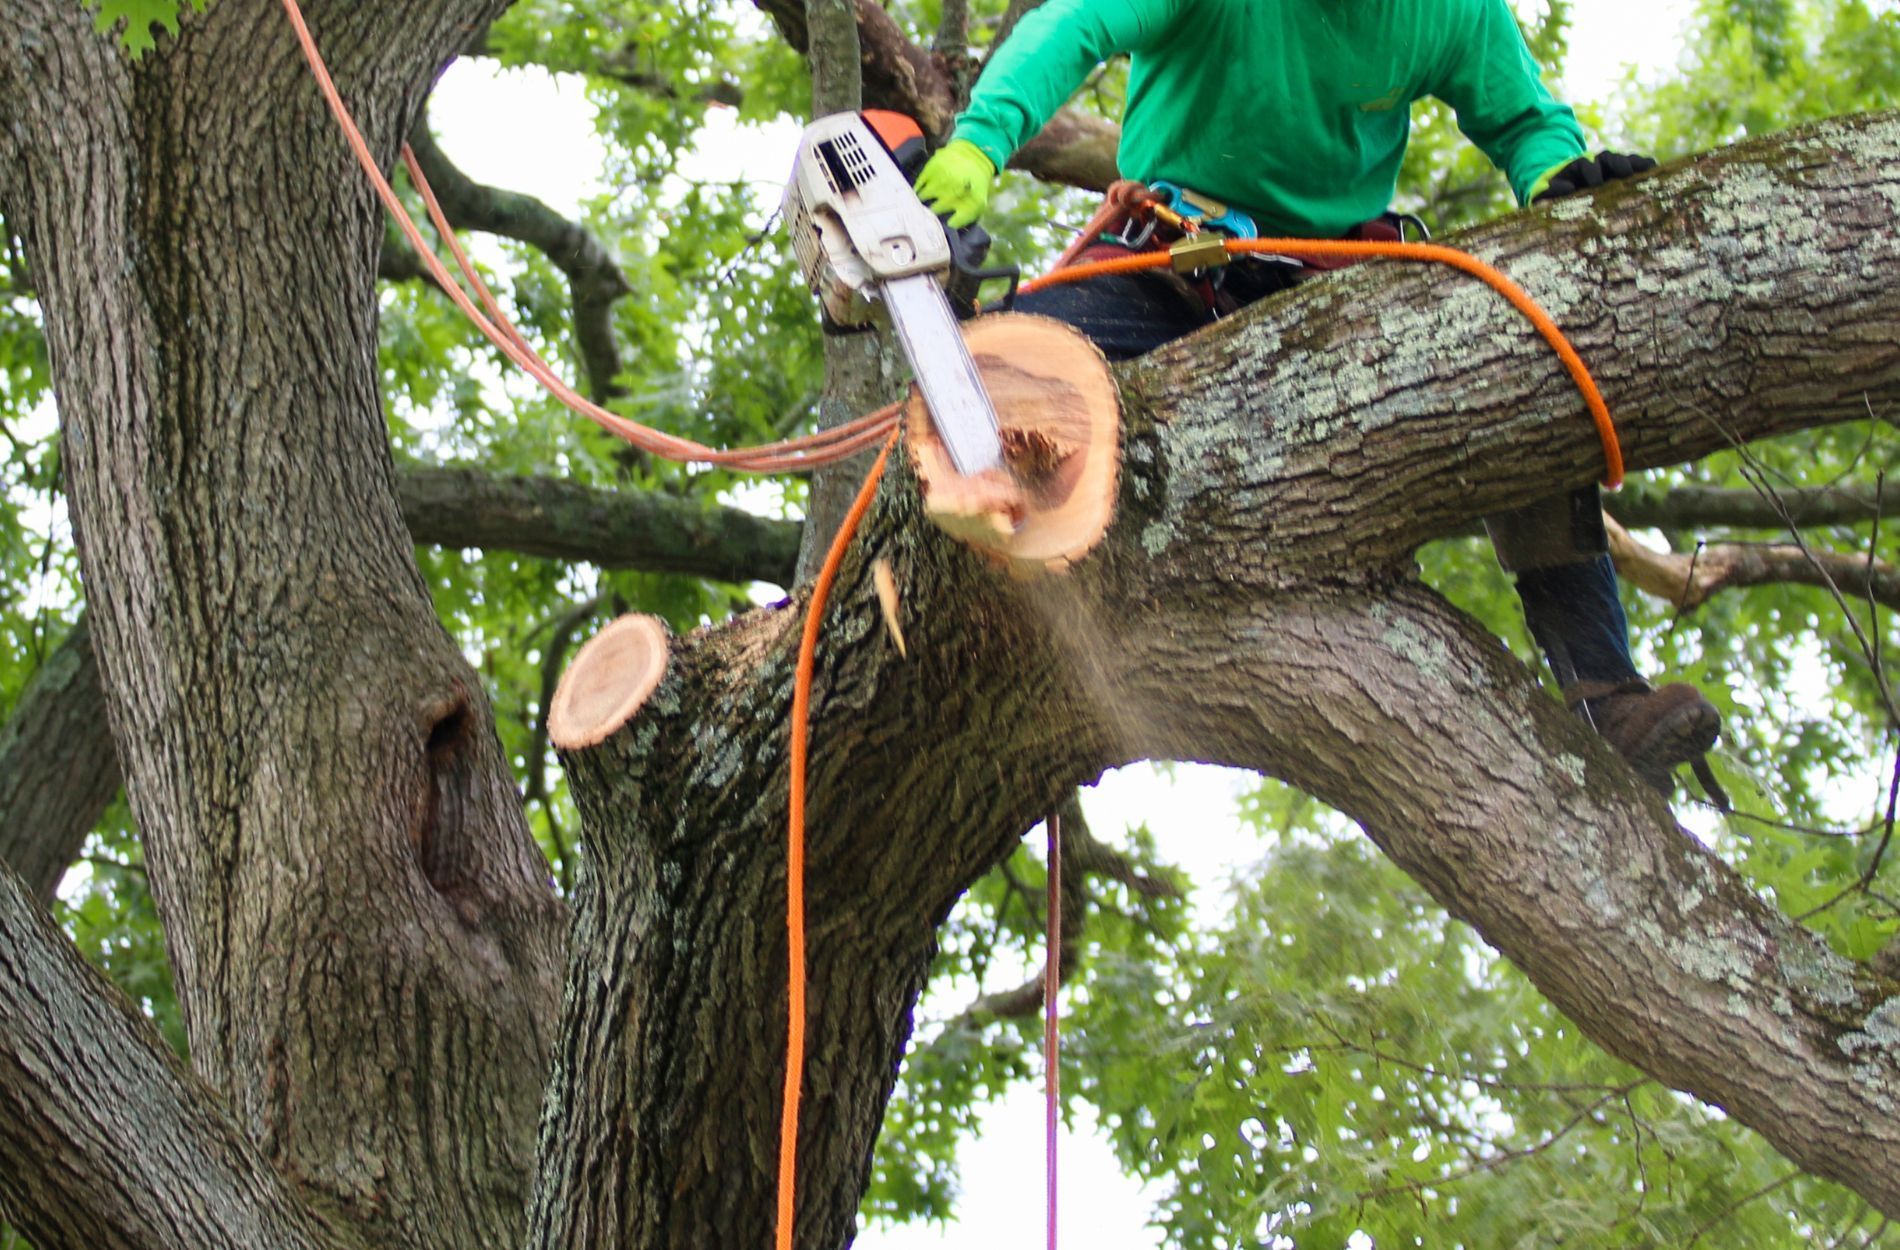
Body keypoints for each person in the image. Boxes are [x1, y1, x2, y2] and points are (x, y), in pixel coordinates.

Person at [913, 0, 1721, 796]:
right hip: (1169, 271)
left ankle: (1606, 697)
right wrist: (983, 141)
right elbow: (1075, 23)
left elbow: (1524, 121)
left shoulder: (1449, 11)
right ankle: (989, 568)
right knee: (1006, 376)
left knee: (1517, 367)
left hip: (1337, 297)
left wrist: (1554, 179)